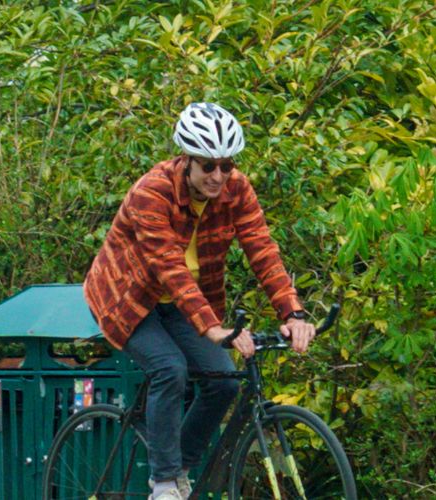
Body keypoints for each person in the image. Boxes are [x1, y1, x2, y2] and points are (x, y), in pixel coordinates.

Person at [83, 102, 318, 500]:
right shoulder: (151, 192)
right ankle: (162, 483)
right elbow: (169, 267)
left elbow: (261, 248)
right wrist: (212, 328)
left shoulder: (236, 189)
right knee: (169, 368)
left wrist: (292, 311)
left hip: (183, 303)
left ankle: (179, 474)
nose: (219, 176)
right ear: (186, 161)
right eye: (208, 166)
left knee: (224, 381)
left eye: (226, 165)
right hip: (127, 298)